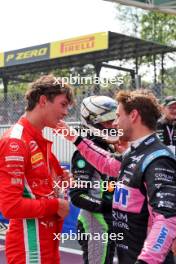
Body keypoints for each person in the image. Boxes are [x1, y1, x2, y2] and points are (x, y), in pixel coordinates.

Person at [56, 89, 176, 264]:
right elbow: (108, 163)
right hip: (128, 251)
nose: (115, 123)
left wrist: (146, 260)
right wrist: (75, 139)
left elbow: (167, 218)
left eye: (118, 116)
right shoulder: (135, 152)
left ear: (133, 115)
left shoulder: (158, 158)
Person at [0, 74, 74, 264]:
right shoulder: (16, 141)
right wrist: (55, 205)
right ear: (43, 101)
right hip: (30, 248)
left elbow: (37, 187)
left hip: (47, 242)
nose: (66, 112)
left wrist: (59, 181)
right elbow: (11, 207)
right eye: (63, 104)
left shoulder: (37, 138)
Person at [70, 95, 120, 264]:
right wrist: (108, 206)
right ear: (92, 123)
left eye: (115, 119)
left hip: (110, 222)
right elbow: (77, 195)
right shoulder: (85, 150)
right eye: (107, 121)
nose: (113, 125)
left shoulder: (112, 147)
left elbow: (110, 184)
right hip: (95, 224)